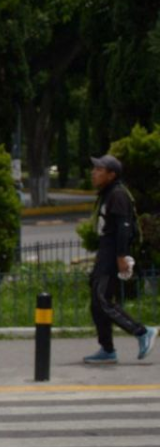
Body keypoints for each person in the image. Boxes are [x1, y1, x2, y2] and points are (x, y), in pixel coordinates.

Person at [83, 153, 157, 364]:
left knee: (103, 300)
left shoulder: (117, 195)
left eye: (99, 170)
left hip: (112, 254)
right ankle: (107, 350)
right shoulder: (107, 193)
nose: (93, 173)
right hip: (105, 252)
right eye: (94, 168)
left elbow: (123, 228)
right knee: (97, 304)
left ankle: (142, 332)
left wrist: (121, 256)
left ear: (111, 174)